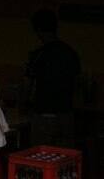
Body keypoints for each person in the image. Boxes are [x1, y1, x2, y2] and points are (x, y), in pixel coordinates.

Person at [25, 10, 80, 147]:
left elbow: (27, 87)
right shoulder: (70, 53)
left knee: (41, 159)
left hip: (44, 116)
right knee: (64, 161)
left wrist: (26, 105)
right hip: (66, 116)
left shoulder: (38, 55)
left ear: (38, 30)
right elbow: (78, 84)